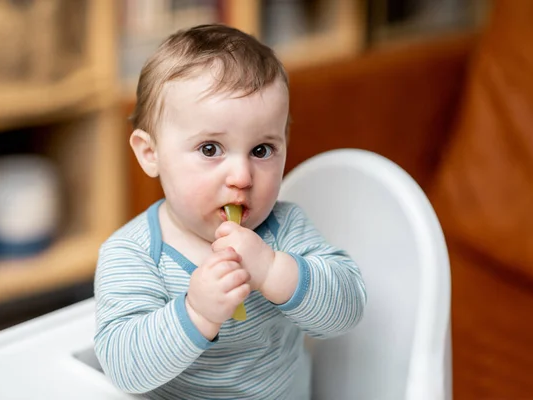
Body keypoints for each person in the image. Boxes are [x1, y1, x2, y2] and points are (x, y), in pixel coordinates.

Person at [94, 24, 366, 399]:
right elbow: (125, 369)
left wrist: (274, 271)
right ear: (150, 153)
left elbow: (348, 309)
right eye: (210, 149)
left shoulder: (283, 230)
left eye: (261, 150)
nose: (241, 177)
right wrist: (197, 313)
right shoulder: (132, 254)